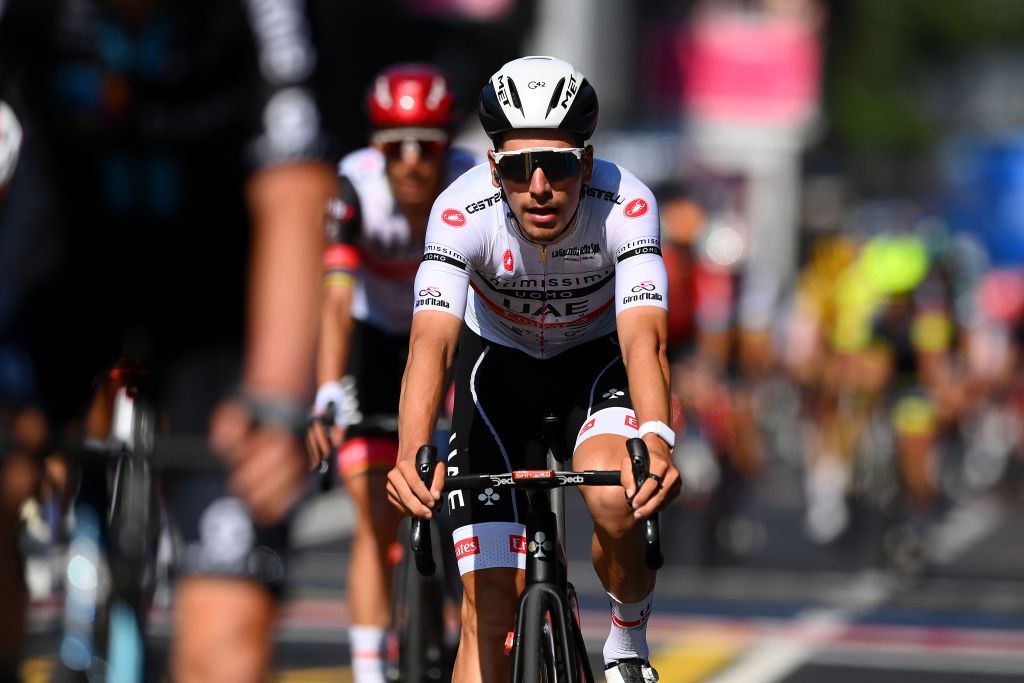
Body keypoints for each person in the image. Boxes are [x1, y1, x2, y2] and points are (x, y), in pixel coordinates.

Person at [0, 2, 337, 681]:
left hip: (218, 290)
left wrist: (275, 403)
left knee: (230, 621)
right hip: (68, 253)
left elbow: (295, 194)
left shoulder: (265, 14)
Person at [386, 56, 682, 683]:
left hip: (595, 366)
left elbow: (644, 336)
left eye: (562, 164)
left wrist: (656, 438)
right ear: (494, 167)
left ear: (589, 161)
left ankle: (627, 642)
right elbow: (431, 342)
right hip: (498, 377)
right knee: (488, 607)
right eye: (519, 168)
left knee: (614, 497)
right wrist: (411, 451)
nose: (540, 185)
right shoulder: (461, 212)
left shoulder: (626, 203)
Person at [305, 63, 477, 683]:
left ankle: (469, 618)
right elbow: (333, 299)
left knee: (470, 495)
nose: (410, 161)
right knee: (375, 518)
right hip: (375, 343)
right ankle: (371, 672)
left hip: (453, 337)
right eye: (394, 147)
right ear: (376, 150)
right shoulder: (352, 186)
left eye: (426, 145)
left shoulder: (470, 183)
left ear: (446, 146)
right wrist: (327, 390)